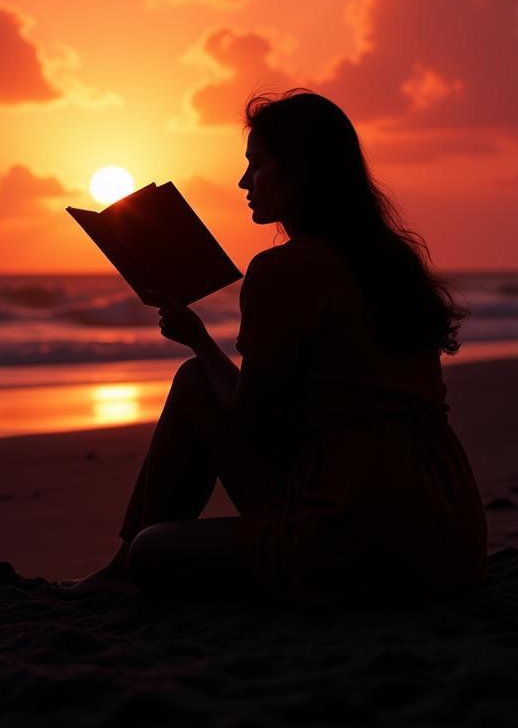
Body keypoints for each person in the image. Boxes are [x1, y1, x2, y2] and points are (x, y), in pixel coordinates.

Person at [63, 89, 487, 607]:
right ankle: (124, 564)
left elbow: (254, 425)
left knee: (156, 549)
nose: (244, 182)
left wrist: (197, 339)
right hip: (448, 530)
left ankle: (128, 562)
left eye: (256, 165)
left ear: (301, 174)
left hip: (355, 527)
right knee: (198, 379)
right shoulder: (390, 262)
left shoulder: (287, 271)